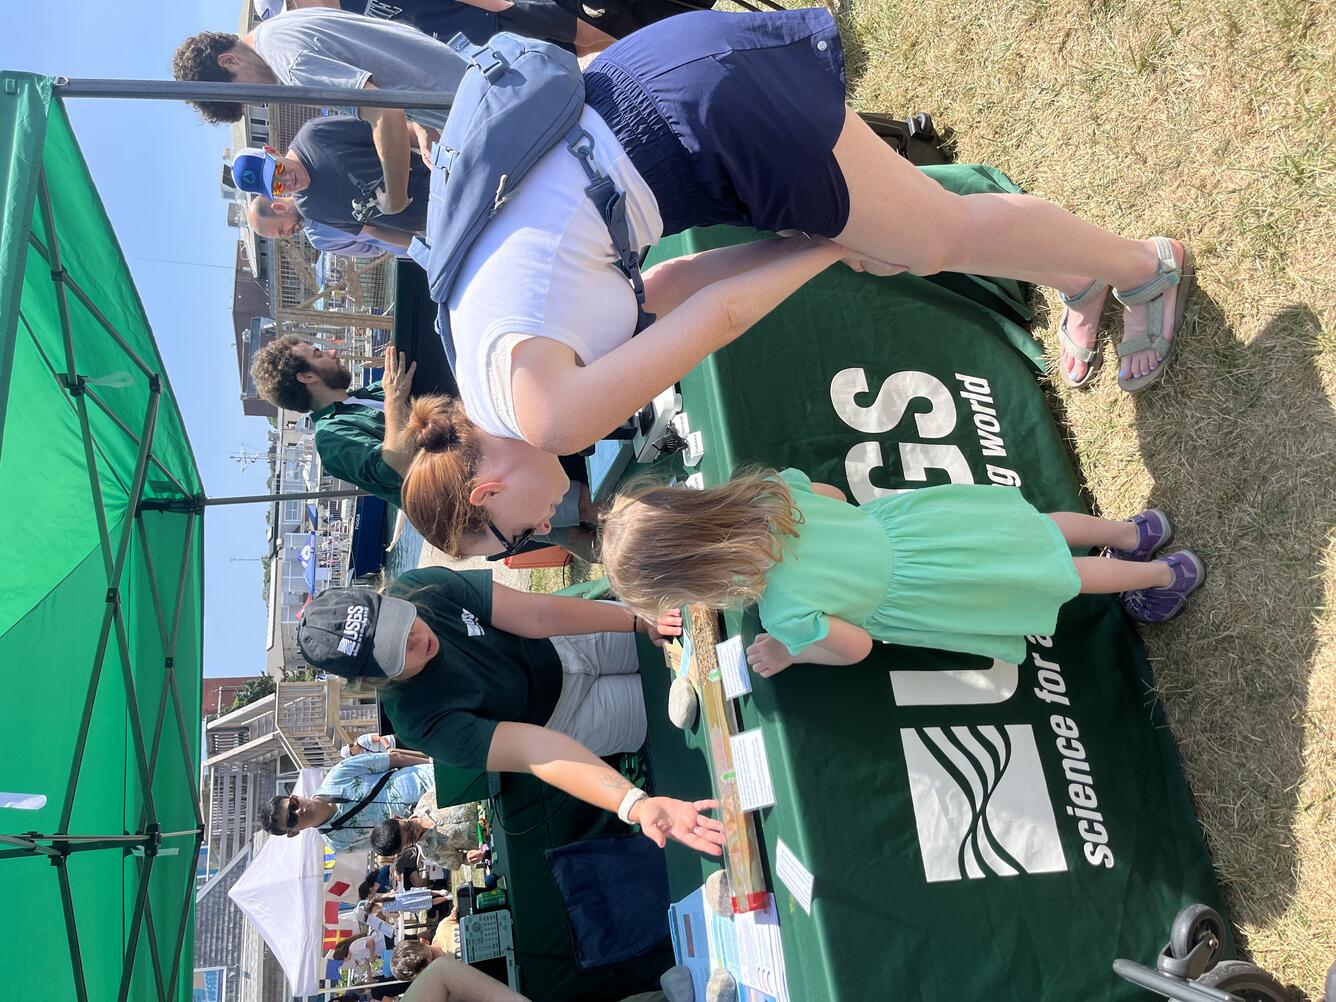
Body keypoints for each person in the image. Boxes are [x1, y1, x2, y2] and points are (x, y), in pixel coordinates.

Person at [396, 8, 1193, 554]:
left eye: (513, 535)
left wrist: (828, 247)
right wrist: (823, 244)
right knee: (917, 235)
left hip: (698, 122)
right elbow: (667, 286)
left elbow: (721, 316)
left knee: (932, 237)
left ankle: (1144, 270)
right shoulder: (475, 371)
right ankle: (1081, 278)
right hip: (649, 88)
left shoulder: (545, 422)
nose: (541, 529)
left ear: (485, 491)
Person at [599, 469, 1207, 673]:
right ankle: (1135, 533)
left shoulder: (784, 613)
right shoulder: (766, 494)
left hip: (929, 587)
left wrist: (790, 652)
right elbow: (832, 494)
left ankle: (1163, 579)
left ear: (696, 582)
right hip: (916, 527)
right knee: (1036, 530)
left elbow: (857, 647)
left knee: (1058, 576)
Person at [295, 574, 724, 856]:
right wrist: (635, 804)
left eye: (398, 621)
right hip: (566, 720)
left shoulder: (418, 588)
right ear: (373, 679)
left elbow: (540, 613)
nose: (414, 637)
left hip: (562, 641)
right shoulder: (417, 721)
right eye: (394, 651)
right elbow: (536, 750)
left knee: (687, 631)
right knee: (692, 713)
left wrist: (635, 620)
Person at [250, 338, 415, 507]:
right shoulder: (330, 439)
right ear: (307, 376)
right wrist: (395, 401)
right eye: (319, 354)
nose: (333, 352)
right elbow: (396, 468)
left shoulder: (375, 390)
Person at [230, 116, 430, 247]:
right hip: (430, 224)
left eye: (279, 170)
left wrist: (430, 142)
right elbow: (373, 229)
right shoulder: (309, 208)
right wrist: (422, 247)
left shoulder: (315, 135)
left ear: (272, 151)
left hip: (436, 179)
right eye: (277, 186)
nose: (286, 180)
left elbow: (391, 128)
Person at [253, 0, 619, 59]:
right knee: (581, 51)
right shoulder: (341, 30)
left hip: (492, 16)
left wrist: (505, 7)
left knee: (590, 33)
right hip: (487, 51)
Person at [258, 744, 435, 851]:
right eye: (291, 819)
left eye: (293, 806)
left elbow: (394, 759)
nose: (299, 811)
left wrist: (436, 765)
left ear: (295, 797)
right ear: (293, 833)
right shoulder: (338, 843)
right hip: (431, 823)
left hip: (430, 781)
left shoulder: (338, 775)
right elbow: (391, 842)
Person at [247, 195, 405, 257]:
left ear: (279, 208)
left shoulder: (319, 239)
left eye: (281, 229)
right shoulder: (318, 240)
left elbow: (374, 250)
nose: (288, 235)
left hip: (410, 243)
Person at [370, 789, 479, 869]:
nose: (415, 831)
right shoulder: (430, 853)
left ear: (398, 817)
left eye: (408, 827)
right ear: (404, 849)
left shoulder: (427, 800)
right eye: (411, 839)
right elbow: (461, 860)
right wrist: (469, 858)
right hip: (487, 834)